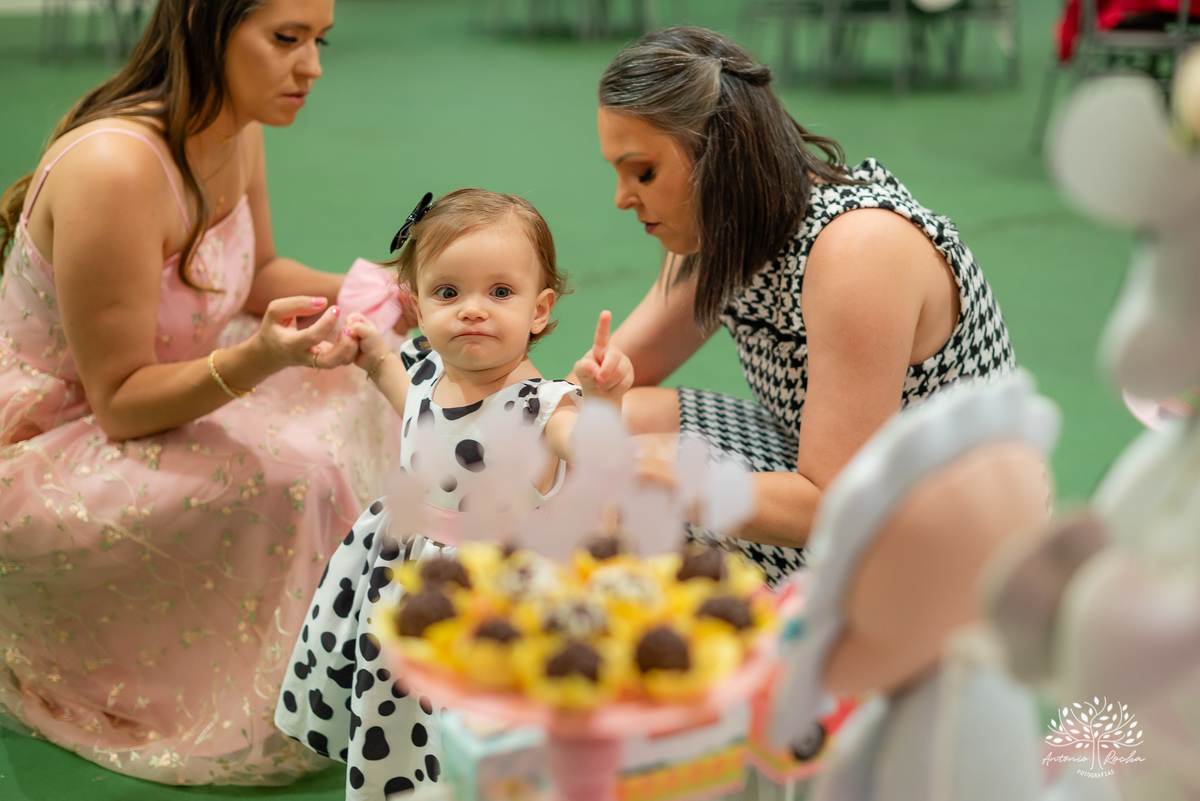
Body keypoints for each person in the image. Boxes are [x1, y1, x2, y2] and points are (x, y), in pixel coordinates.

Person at [0, 0, 407, 785]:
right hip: (57, 437)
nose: (312, 67)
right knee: (300, 474)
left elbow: (256, 275)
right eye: (286, 39)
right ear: (204, 25)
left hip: (176, 372)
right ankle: (301, 681)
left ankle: (358, 634)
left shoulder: (235, 126)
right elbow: (119, 401)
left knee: (369, 372)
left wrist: (390, 290)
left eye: (319, 40)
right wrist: (259, 359)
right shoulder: (116, 170)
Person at [590, 27, 1016, 583]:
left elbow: (831, 504)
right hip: (833, 477)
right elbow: (609, 382)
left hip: (949, 541)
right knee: (623, 419)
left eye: (643, 172)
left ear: (719, 157)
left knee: (643, 487)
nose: (621, 198)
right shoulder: (720, 229)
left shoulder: (857, 251)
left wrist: (665, 479)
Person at [274, 188, 633, 800]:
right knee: (405, 713)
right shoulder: (427, 373)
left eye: (500, 292)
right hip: (408, 579)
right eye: (448, 293)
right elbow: (410, 403)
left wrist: (605, 403)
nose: (472, 310)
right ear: (417, 305)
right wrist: (374, 357)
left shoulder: (543, 408)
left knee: (484, 723)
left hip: (494, 596)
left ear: (539, 310)